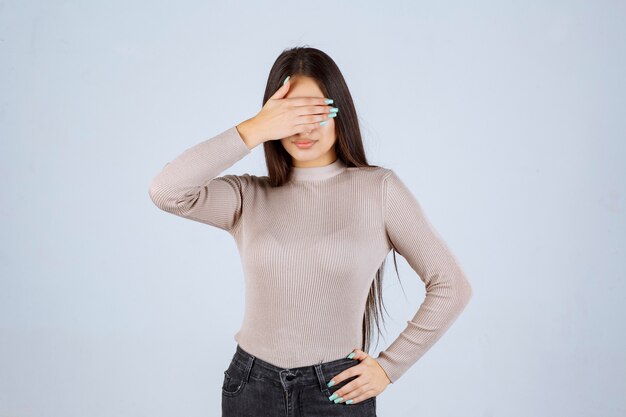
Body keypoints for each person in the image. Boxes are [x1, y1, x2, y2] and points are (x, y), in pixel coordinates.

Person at [148, 46, 473, 417]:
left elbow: (451, 284)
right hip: (251, 387)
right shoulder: (247, 195)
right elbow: (166, 191)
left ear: (340, 113)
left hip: (336, 390)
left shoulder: (379, 190)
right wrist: (253, 129)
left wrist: (389, 367)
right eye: (290, 115)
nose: (304, 128)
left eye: (316, 112)